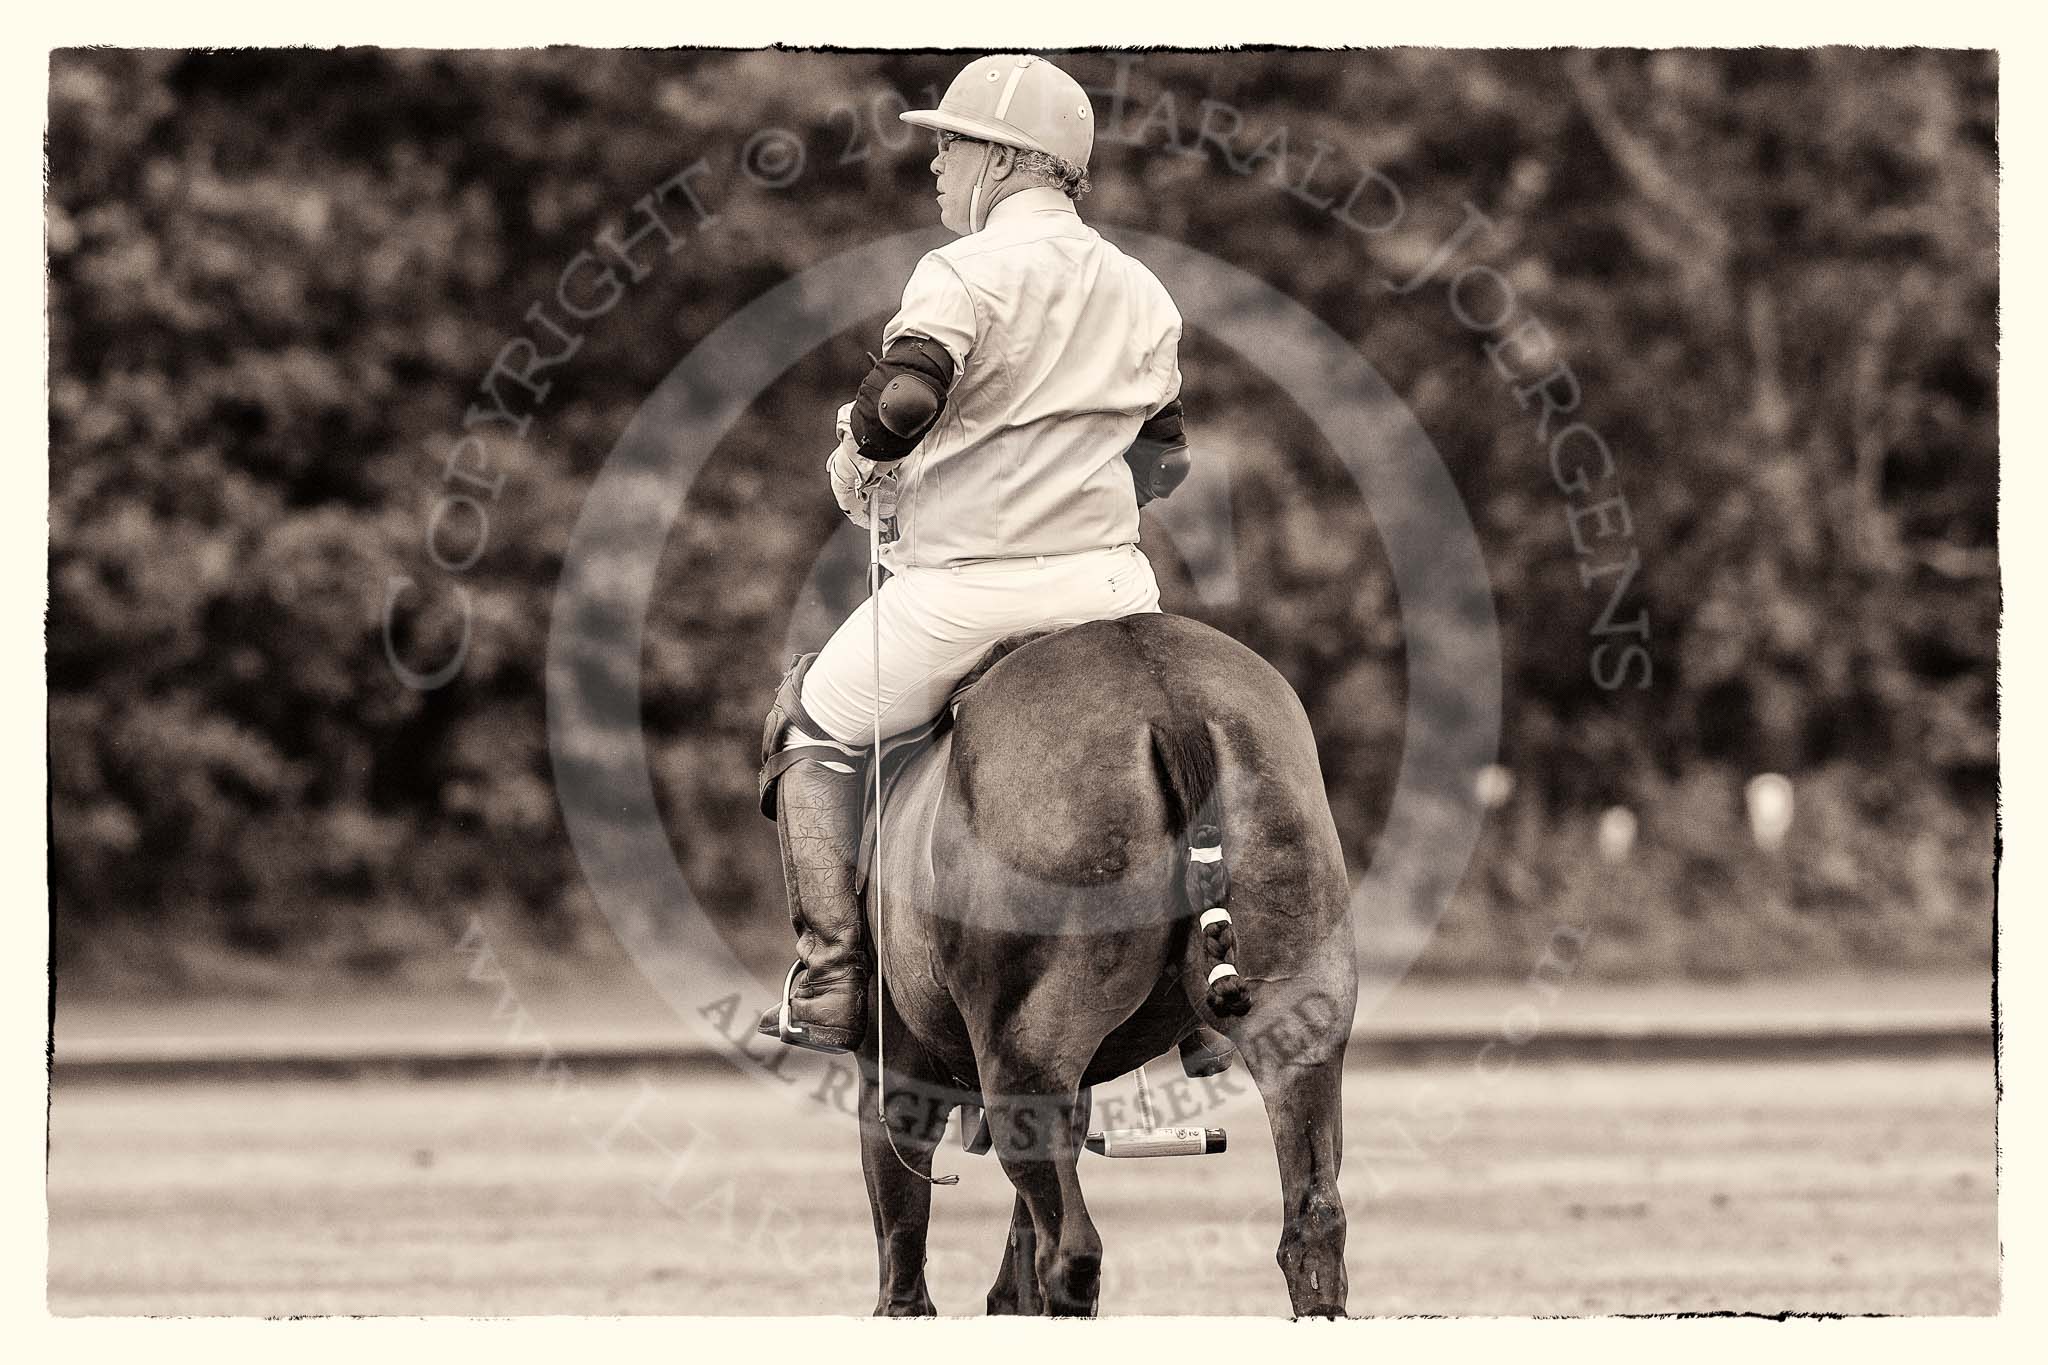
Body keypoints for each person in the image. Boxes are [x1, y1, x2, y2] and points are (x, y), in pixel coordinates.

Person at [757, 53, 1194, 1053]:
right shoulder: (1142, 288)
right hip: (1113, 596)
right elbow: (1164, 460)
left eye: (951, 145)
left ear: (1003, 159)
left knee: (806, 725)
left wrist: (861, 451)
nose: (936, 164)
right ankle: (1202, 989)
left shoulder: (961, 271)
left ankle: (830, 975)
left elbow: (907, 395)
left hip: (964, 597)